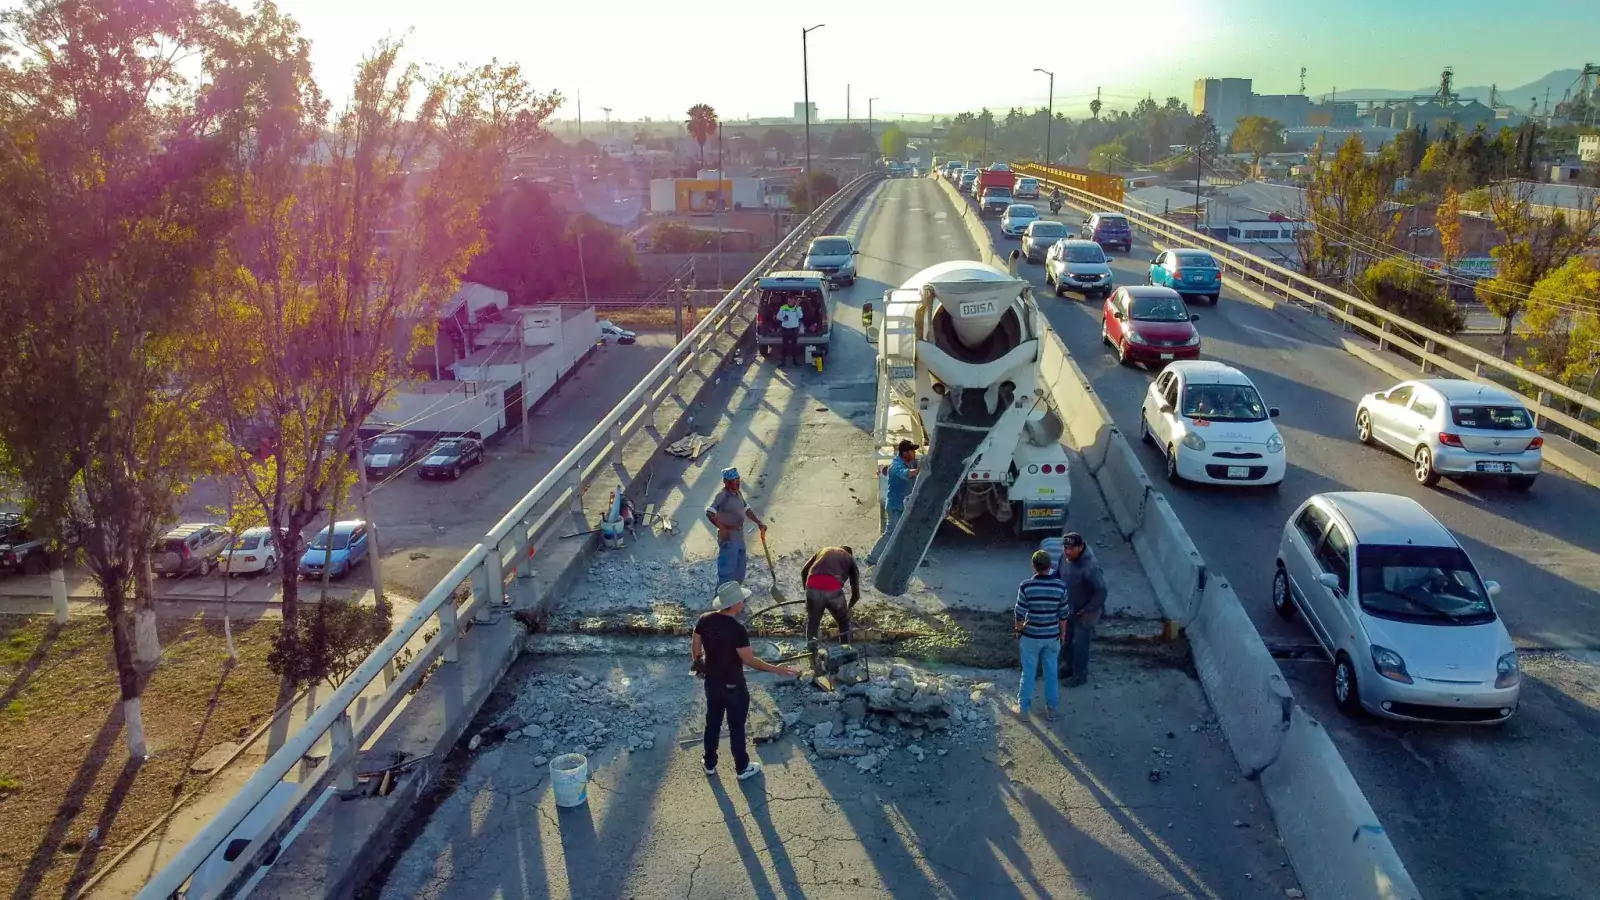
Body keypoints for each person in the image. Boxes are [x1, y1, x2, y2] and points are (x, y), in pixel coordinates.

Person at [692, 581, 802, 779]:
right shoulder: (737, 629)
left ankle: (709, 763)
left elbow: (696, 641)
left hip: (713, 683)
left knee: (713, 722)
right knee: (736, 727)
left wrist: (698, 662)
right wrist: (777, 669)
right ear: (734, 604)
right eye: (741, 599)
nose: (743, 602)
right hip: (734, 686)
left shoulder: (704, 619)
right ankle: (742, 768)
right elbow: (749, 660)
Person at [1014, 549, 1070, 721]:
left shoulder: (1026, 586)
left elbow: (1019, 613)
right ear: (1050, 566)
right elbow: (1063, 615)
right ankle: (1052, 709)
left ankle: (1023, 711)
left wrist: (1019, 630)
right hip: (1052, 637)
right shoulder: (1060, 586)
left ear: (1033, 566)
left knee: (1028, 673)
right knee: (1051, 673)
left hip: (1031, 637)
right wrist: (1062, 635)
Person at [1058, 533, 1108, 687]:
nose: (1067, 551)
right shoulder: (1065, 557)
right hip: (1069, 607)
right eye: (1065, 547)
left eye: (1071, 548)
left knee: (1080, 644)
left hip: (1084, 613)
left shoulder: (1089, 566)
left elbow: (1101, 591)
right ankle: (1067, 667)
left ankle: (1080, 675)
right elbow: (1059, 574)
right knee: (1066, 640)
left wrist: (1088, 609)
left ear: (1080, 547)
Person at [705, 467, 767, 588]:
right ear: (726, 482)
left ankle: (736, 598)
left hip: (739, 536)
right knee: (726, 572)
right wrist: (722, 528)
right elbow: (710, 512)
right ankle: (722, 600)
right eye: (734, 480)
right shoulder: (722, 496)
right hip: (729, 538)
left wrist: (759, 522)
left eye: (738, 479)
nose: (737, 482)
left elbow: (746, 508)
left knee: (740, 568)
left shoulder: (738, 493)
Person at [865, 440, 919, 565]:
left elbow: (915, 465)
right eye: (912, 451)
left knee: (909, 531)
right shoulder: (896, 466)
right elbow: (907, 474)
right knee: (890, 533)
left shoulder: (909, 462)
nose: (914, 453)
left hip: (904, 505)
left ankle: (910, 558)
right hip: (895, 507)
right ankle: (872, 558)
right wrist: (918, 470)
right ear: (905, 453)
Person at [800, 545, 859, 647]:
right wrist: (848, 608)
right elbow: (856, 594)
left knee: (813, 622)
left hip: (812, 586)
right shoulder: (849, 559)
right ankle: (845, 651)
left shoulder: (823, 550)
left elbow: (804, 571)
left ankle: (812, 653)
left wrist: (808, 592)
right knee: (844, 621)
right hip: (833, 590)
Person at [776, 297, 804, 366]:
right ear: (787, 302)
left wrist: (797, 307)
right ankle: (782, 361)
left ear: (794, 302)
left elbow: (800, 316)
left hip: (794, 329)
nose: (790, 303)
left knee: (794, 345)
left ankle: (795, 361)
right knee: (784, 345)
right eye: (789, 302)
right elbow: (778, 316)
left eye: (792, 302)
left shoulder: (797, 308)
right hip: (785, 329)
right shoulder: (783, 307)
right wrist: (783, 318)